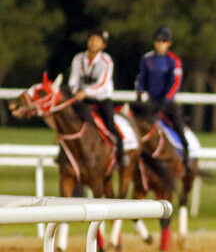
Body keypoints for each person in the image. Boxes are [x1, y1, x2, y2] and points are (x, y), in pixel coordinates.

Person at [135, 25, 189, 170]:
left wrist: (167, 99)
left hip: (167, 102)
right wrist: (139, 91)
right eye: (158, 41)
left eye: (163, 41)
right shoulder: (147, 59)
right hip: (152, 101)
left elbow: (175, 82)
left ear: (169, 44)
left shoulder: (173, 60)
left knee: (178, 126)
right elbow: (141, 78)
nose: (160, 44)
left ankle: (186, 155)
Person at [68, 29, 124, 165]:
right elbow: (73, 80)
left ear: (103, 46)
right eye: (91, 39)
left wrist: (85, 92)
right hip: (82, 97)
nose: (93, 43)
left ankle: (121, 155)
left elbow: (102, 84)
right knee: (69, 120)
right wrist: (75, 91)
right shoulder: (78, 59)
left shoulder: (106, 61)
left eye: (97, 41)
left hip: (101, 98)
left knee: (110, 125)